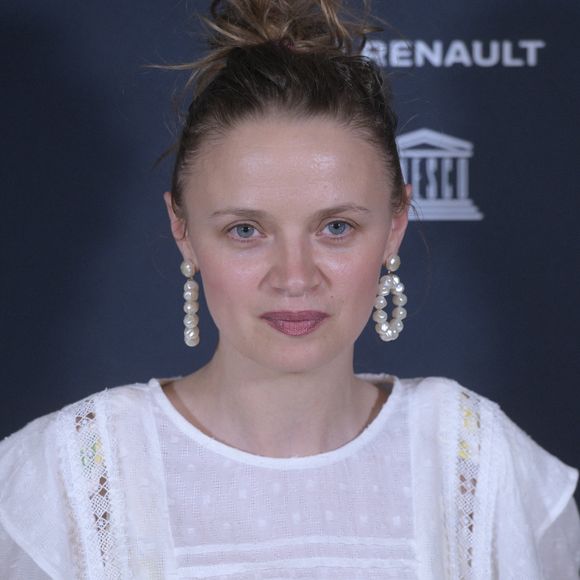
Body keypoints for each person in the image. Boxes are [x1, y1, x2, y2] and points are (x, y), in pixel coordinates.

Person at [1, 0, 579, 577]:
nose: (296, 276)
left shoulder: (480, 464)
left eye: (336, 228)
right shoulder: (62, 481)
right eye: (246, 230)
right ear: (183, 230)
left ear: (395, 225)